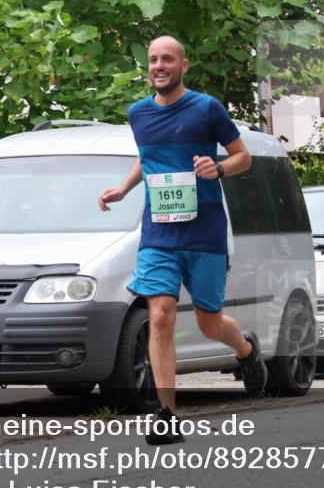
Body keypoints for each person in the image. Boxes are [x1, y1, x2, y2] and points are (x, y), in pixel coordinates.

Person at [98, 35, 267, 445]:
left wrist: (219, 168)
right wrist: (123, 188)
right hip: (159, 230)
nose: (159, 65)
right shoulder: (138, 113)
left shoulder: (206, 108)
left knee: (210, 322)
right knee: (159, 315)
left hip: (205, 229)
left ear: (183, 65)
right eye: (154, 59)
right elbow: (149, 155)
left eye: (168, 59)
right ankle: (167, 413)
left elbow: (242, 155)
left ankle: (245, 351)